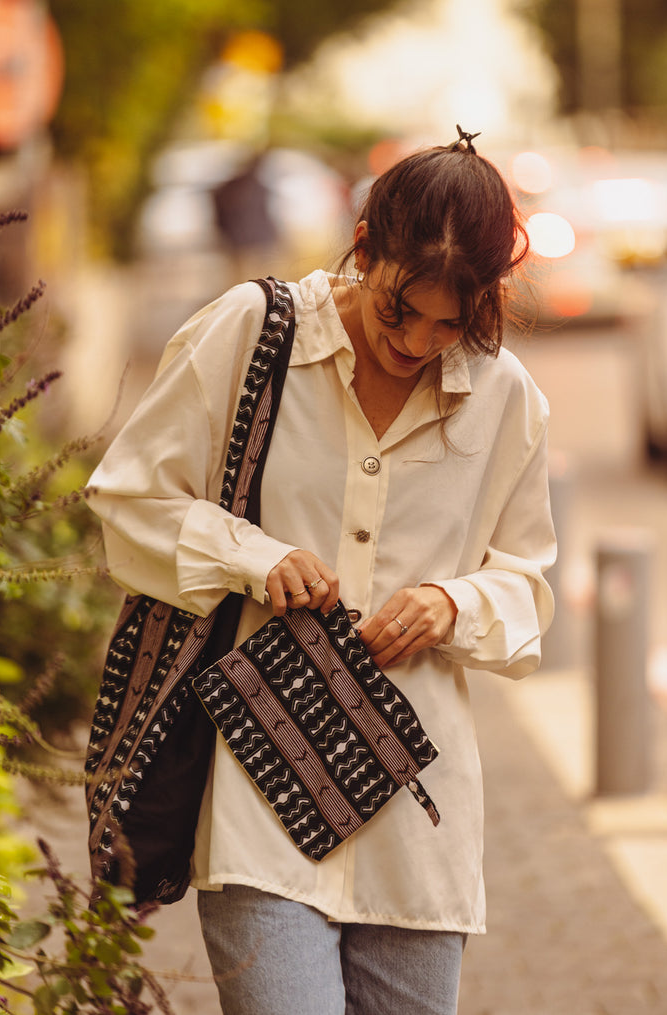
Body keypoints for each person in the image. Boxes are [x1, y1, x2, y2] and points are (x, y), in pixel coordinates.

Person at [87, 126, 556, 1015]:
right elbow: (129, 502)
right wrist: (253, 557)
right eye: (396, 309)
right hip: (257, 796)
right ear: (366, 245)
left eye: (448, 321)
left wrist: (453, 601)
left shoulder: (506, 399)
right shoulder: (253, 334)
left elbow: (528, 585)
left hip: (420, 822)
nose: (416, 341)